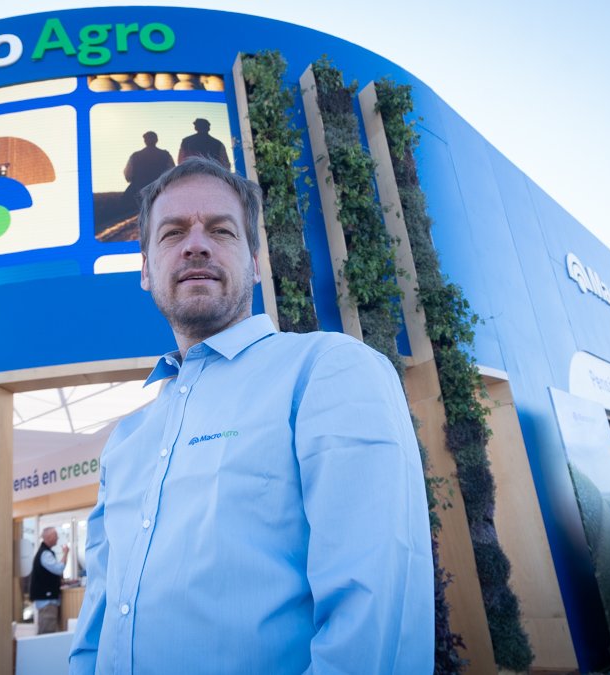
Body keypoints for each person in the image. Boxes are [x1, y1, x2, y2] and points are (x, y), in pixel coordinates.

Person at [69, 158, 432, 674]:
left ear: (255, 263)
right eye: (173, 233)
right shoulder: (126, 440)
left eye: (221, 230)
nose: (196, 245)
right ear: (146, 270)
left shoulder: (327, 370)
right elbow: (97, 622)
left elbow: (374, 616)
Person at [30, 527, 69, 634]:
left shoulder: (44, 552)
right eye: (56, 535)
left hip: (46, 601)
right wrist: (65, 553)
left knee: (48, 632)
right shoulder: (45, 554)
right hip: (47, 601)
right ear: (49, 537)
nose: (58, 538)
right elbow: (59, 569)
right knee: (47, 633)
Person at [122, 131, 175, 210]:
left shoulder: (135, 156)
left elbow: (128, 175)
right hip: (160, 189)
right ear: (156, 140)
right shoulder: (165, 155)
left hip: (138, 190)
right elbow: (172, 172)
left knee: (125, 205)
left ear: (145, 140)